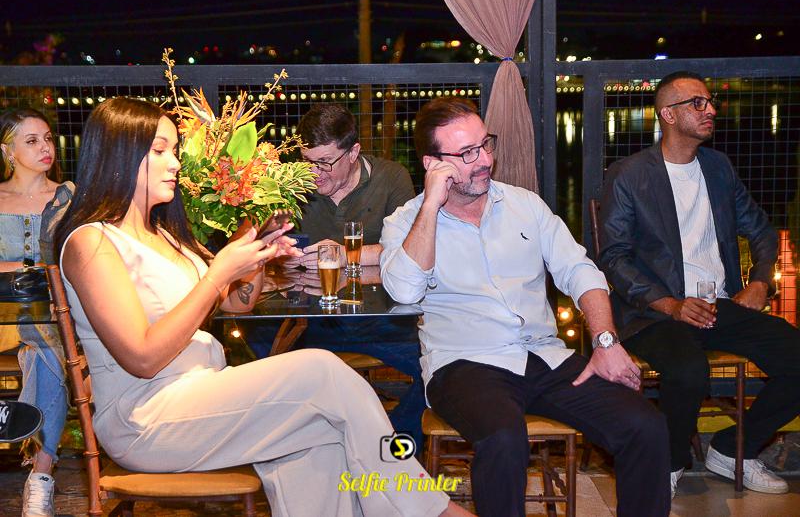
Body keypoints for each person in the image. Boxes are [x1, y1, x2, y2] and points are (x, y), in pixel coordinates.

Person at [54, 97, 472, 517]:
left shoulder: (164, 235)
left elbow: (237, 304)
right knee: (321, 370)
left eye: (176, 150)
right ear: (119, 155)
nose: (175, 163)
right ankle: (431, 509)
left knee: (323, 435)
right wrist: (218, 273)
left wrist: (256, 251)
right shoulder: (92, 242)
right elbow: (142, 358)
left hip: (203, 395)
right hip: (146, 418)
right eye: (160, 150)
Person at [380, 96, 670, 517]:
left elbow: (580, 271)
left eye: (486, 144)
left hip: (544, 357)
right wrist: (430, 205)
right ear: (432, 164)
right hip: (464, 364)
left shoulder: (525, 206)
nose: (484, 160)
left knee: (646, 426)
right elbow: (405, 292)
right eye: (466, 153)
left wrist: (606, 341)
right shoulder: (406, 222)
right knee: (503, 438)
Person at [599, 70, 800, 497]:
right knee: (689, 370)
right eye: (697, 103)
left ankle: (733, 448)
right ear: (668, 115)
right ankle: (669, 462)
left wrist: (760, 282)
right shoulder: (629, 175)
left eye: (709, 102)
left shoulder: (718, 167)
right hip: (654, 313)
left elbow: (761, 229)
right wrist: (670, 304)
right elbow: (614, 257)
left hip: (717, 306)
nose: (710, 110)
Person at [250, 103, 425, 447]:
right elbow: (263, 248)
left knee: (434, 366)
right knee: (252, 340)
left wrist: (345, 255)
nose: (315, 174)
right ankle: (306, 445)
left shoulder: (391, 178)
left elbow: (409, 252)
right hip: (309, 322)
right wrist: (279, 255)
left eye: (325, 162)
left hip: (379, 322)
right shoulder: (290, 185)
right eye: (307, 161)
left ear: (353, 152)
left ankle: (386, 447)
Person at [0, 109, 72, 517]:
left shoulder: (69, 197)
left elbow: (81, 259)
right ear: (7, 151)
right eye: (31, 141)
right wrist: (34, 267)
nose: (45, 147)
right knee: (46, 343)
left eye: (47, 138)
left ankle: (40, 476)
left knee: (46, 349)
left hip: (56, 316)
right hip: (4, 317)